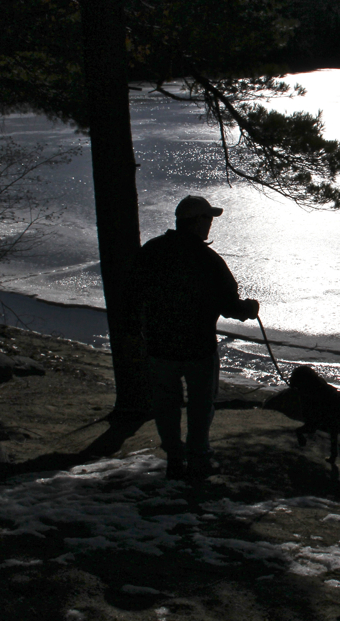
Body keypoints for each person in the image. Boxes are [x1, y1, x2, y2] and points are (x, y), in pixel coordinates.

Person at [132, 195, 260, 480]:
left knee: (166, 407)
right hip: (198, 348)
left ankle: (174, 459)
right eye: (209, 218)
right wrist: (249, 309)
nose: (210, 224)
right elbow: (229, 306)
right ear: (198, 222)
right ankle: (198, 459)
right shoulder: (208, 260)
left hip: (158, 346)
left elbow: (133, 292)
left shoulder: (152, 250)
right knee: (200, 407)